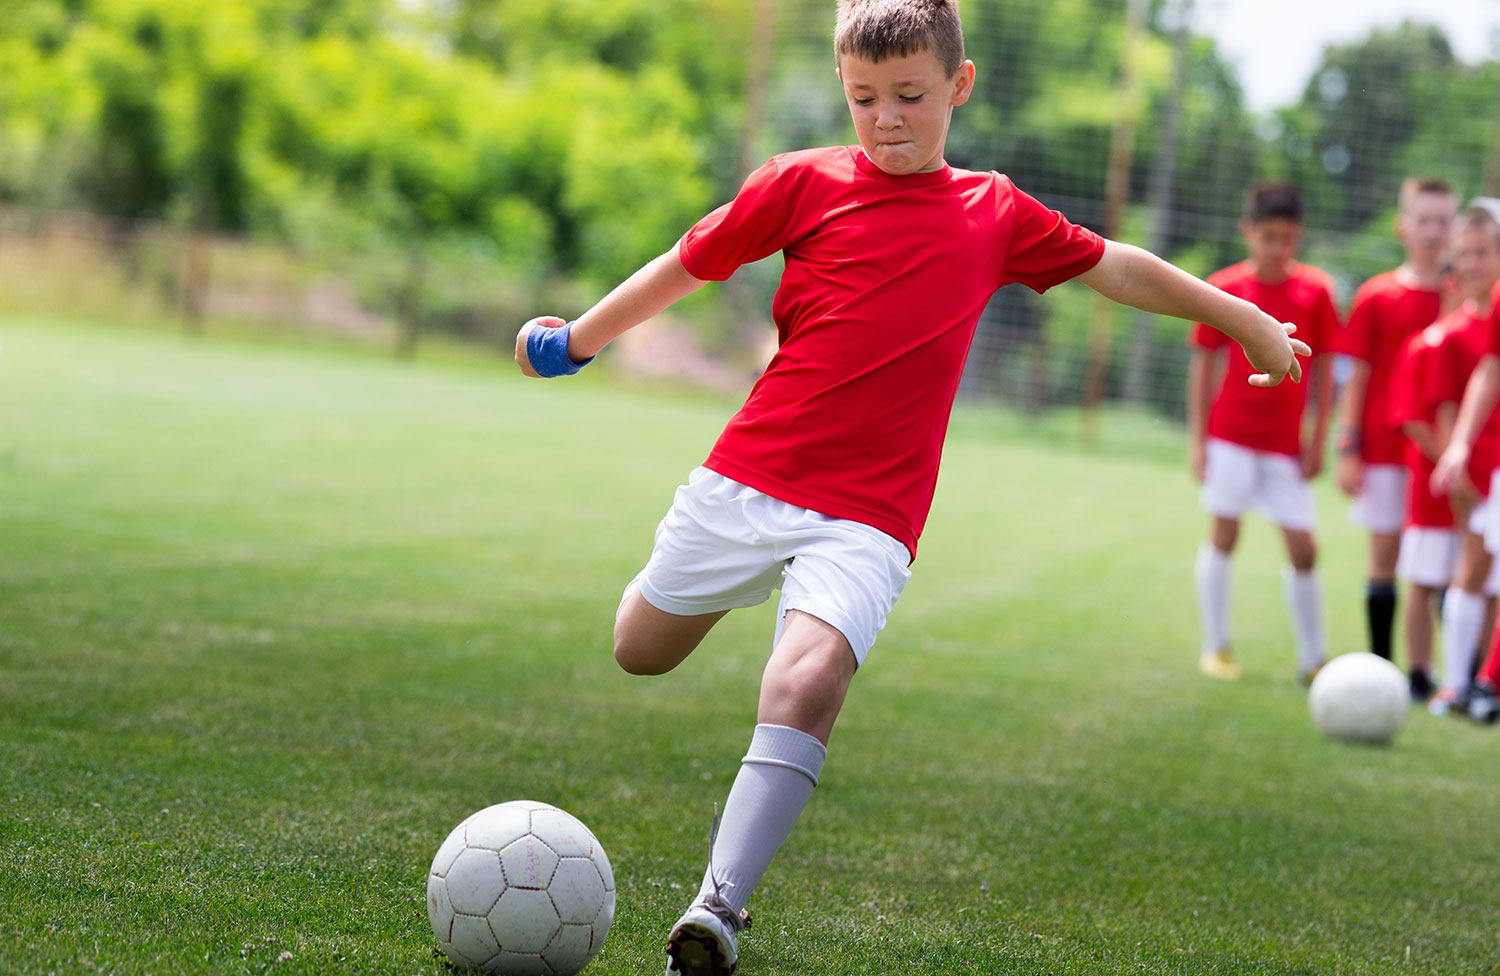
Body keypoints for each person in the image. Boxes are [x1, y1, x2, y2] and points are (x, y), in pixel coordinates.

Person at [515, 3, 1308, 973]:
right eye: (864, 98)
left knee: (807, 680)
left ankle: (716, 908)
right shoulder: (797, 182)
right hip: (749, 477)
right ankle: (708, 616)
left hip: (868, 515)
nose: (886, 118)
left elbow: (1120, 270)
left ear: (958, 85)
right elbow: (688, 265)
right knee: (638, 649)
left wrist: (1243, 319)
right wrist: (577, 340)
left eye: (909, 96)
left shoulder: (994, 211)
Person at [1187, 183, 1336, 684]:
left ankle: (1313, 660)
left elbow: (1324, 370)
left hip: (1286, 446)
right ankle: (1217, 647)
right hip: (1230, 436)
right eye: (1269, 237)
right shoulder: (1224, 287)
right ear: (1247, 231)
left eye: (1288, 239)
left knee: (1305, 549)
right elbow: (1203, 366)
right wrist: (1199, 441)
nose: (1279, 248)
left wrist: (1318, 438)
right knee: (1225, 535)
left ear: (1300, 237)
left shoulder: (1317, 292)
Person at [1335, 178, 1458, 662]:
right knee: (1385, 555)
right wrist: (1349, 448)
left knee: (1443, 561)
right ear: (1402, 225)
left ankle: (1448, 672)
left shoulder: (1465, 297)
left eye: (1443, 221)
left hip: (1440, 452)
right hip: (1384, 450)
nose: (1433, 231)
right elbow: (1357, 377)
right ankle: (1381, 666)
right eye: (1423, 220)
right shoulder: (1376, 295)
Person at [1421, 207, 1500, 714]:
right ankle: (1459, 684)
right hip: (1485, 465)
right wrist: (1458, 448)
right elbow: (1486, 374)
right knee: (1473, 565)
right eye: (1464, 254)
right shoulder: (1462, 325)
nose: (1472, 263)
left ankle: (1483, 684)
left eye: (1482, 252)